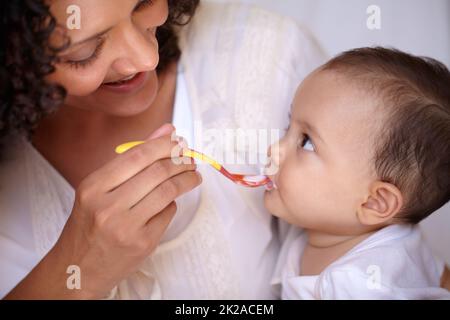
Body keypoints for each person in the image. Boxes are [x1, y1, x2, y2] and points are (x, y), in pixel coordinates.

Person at [0, 0, 325, 299]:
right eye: (85, 52)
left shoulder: (267, 56)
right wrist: (78, 273)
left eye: (144, 3)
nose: (147, 57)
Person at [266, 47, 450, 299]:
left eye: (306, 142)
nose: (274, 149)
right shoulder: (320, 226)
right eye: (289, 125)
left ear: (375, 201)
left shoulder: (361, 286)